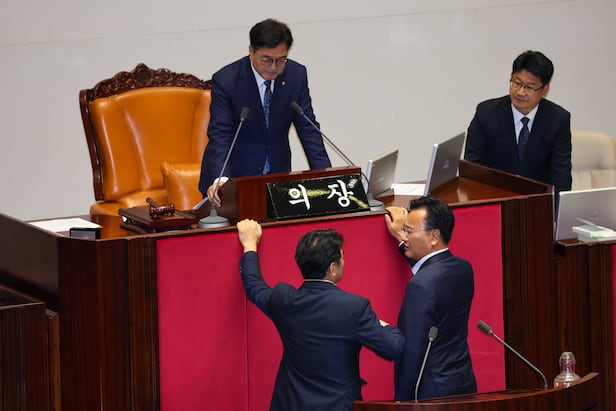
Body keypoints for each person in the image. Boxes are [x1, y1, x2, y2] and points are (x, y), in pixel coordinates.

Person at [237, 219, 404, 410]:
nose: (344, 262)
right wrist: (382, 324)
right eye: (342, 257)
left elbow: (254, 287)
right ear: (332, 268)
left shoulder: (284, 299)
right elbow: (393, 348)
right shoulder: (354, 308)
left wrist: (249, 245)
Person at [200, 18, 332, 207]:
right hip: (234, 179)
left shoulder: (296, 75)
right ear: (251, 51)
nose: (273, 68)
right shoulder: (227, 80)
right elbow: (220, 135)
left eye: (281, 60)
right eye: (266, 60)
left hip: (278, 180)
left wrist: (327, 176)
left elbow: (308, 128)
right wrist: (222, 180)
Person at [384, 197, 477, 401]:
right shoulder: (464, 268)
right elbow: (431, 269)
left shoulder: (420, 285)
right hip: (463, 384)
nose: (404, 236)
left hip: (431, 395)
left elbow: (412, 352)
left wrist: (401, 402)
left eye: (409, 231)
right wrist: (403, 241)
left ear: (434, 236)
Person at [464, 50, 572, 200]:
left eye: (529, 87)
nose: (520, 92)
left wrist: (557, 212)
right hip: (494, 200)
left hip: (537, 204)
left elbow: (561, 175)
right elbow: (472, 168)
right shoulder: (486, 113)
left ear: (545, 89)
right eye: (517, 83)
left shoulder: (558, 119)